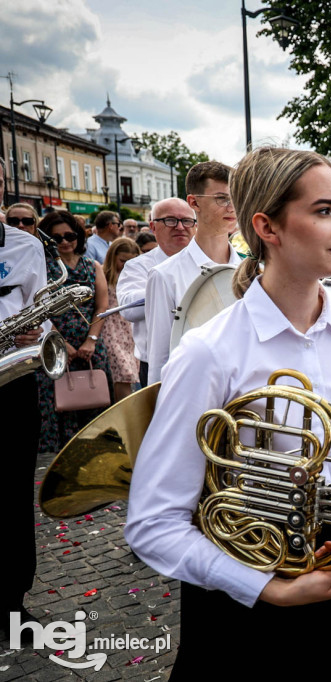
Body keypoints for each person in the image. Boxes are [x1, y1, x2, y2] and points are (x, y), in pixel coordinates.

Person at [123, 147, 331, 680]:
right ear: (266, 226)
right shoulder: (210, 351)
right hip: (249, 614)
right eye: (324, 212)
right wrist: (272, 590)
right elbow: (153, 524)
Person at [0, 159, 49, 641]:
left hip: (11, 383)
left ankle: (12, 601)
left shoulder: (26, 247)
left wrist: (39, 331)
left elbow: (42, 314)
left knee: (13, 497)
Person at [145, 162, 240, 384]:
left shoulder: (251, 270)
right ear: (193, 202)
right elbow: (160, 359)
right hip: (192, 391)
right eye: (221, 198)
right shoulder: (164, 275)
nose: (232, 207)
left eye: (236, 198)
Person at [37, 210, 110, 452]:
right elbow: (40, 309)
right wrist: (60, 343)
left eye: (70, 235)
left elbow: (102, 305)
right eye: (57, 238)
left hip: (90, 343)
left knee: (94, 399)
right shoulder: (42, 268)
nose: (65, 241)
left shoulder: (93, 265)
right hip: (54, 344)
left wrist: (91, 340)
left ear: (78, 236)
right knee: (59, 403)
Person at [117, 198, 195, 387]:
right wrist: (164, 288)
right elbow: (128, 310)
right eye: (170, 220)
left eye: (186, 221)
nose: (180, 227)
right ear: (153, 226)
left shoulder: (205, 262)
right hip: (156, 365)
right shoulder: (138, 266)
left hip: (199, 361)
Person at [100, 237, 141, 402]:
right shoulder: (104, 275)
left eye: (131, 261)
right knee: (123, 372)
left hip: (130, 329)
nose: (126, 265)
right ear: (112, 257)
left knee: (129, 373)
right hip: (111, 329)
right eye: (122, 260)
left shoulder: (136, 276)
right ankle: (122, 411)